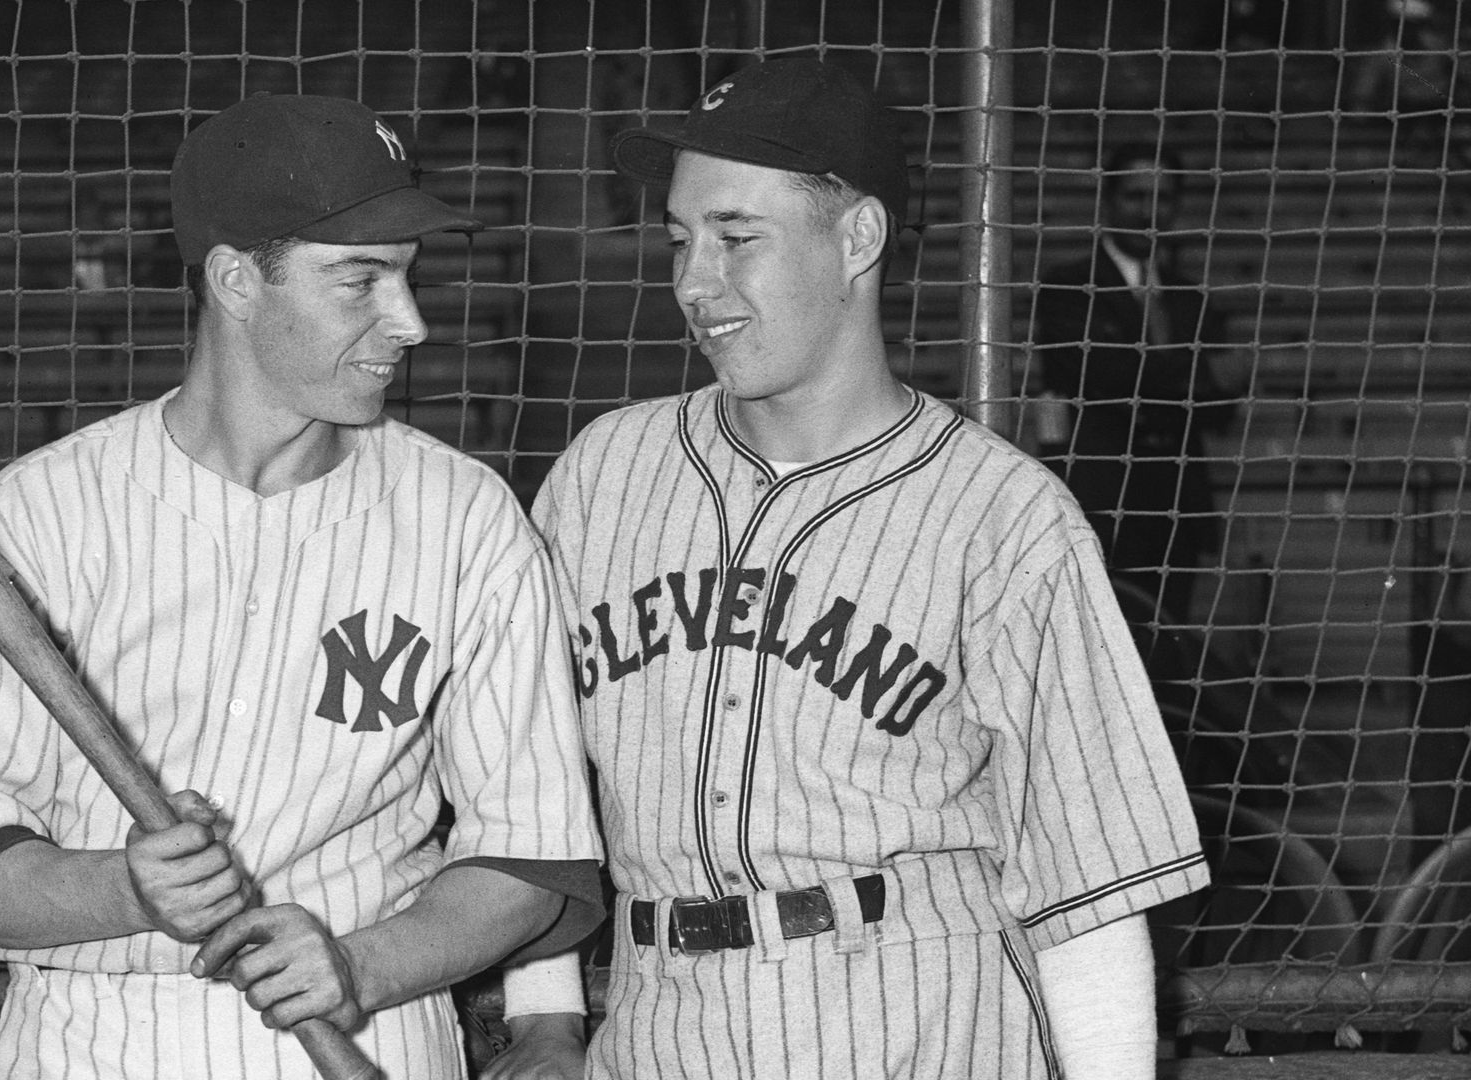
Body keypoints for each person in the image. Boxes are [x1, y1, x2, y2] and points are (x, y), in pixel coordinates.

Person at [486, 58, 1210, 1080]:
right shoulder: (603, 474)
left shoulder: (1004, 516)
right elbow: (536, 786)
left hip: (916, 1019)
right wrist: (548, 1017)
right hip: (659, 1023)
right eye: (681, 242)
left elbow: (1088, 894)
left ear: (857, 238)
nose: (697, 282)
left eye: (738, 239)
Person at [0, 93, 605, 1080]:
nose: (411, 322)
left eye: (407, 278)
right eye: (360, 280)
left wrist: (357, 965)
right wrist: (125, 891)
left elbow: (532, 856)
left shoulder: (468, 520)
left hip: (369, 1033)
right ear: (235, 279)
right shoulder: (43, 513)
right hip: (97, 1040)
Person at [1030, 141, 1242, 624]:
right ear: (1109, 201)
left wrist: (1210, 384)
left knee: (1167, 650)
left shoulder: (1191, 298)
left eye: (1163, 197)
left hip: (1175, 504)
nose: (1150, 210)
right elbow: (1098, 376)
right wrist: (1204, 375)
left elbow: (1221, 410)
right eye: (1136, 196)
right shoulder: (1068, 286)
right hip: (1100, 501)